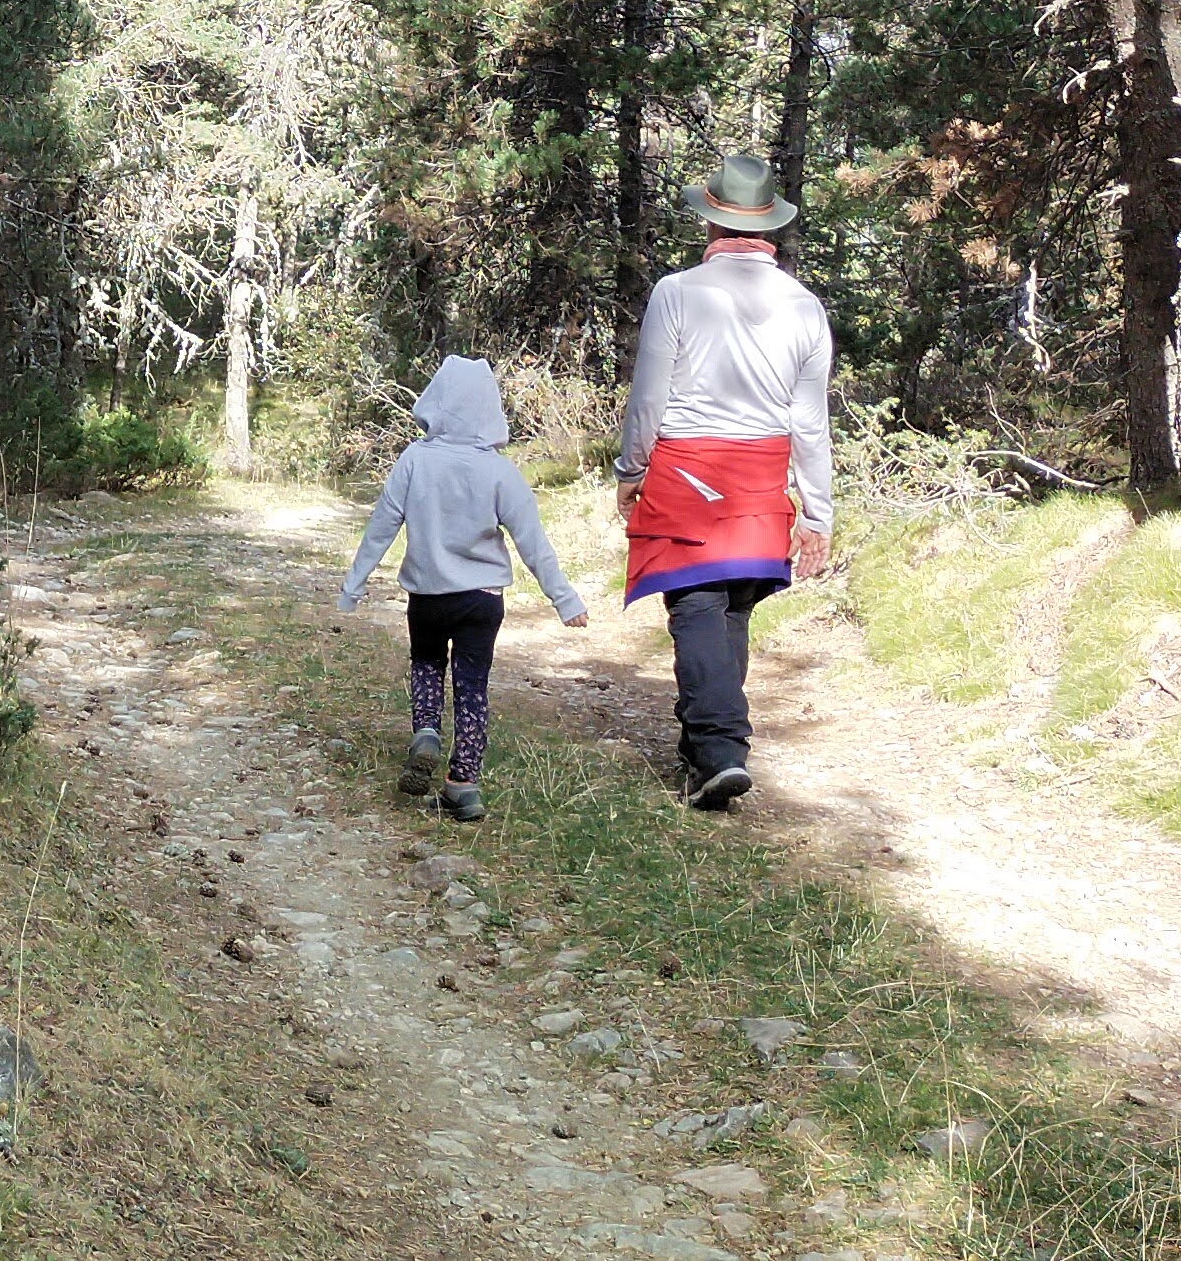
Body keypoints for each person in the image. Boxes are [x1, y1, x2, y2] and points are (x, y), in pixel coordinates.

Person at [615, 153, 837, 812]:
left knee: (697, 605)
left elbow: (648, 397)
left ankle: (720, 749)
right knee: (729, 606)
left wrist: (631, 469)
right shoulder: (805, 306)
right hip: (762, 475)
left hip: (687, 470)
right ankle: (704, 756)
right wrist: (817, 513)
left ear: (709, 221)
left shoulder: (678, 293)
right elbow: (810, 422)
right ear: (767, 228)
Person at [338, 355, 589, 822]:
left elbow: (381, 526)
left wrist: (353, 587)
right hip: (481, 601)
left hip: (427, 597)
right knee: (472, 686)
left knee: (427, 665)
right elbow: (533, 542)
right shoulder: (499, 472)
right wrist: (564, 599)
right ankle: (463, 784)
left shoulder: (415, 460)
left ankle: (427, 731)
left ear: (435, 402)